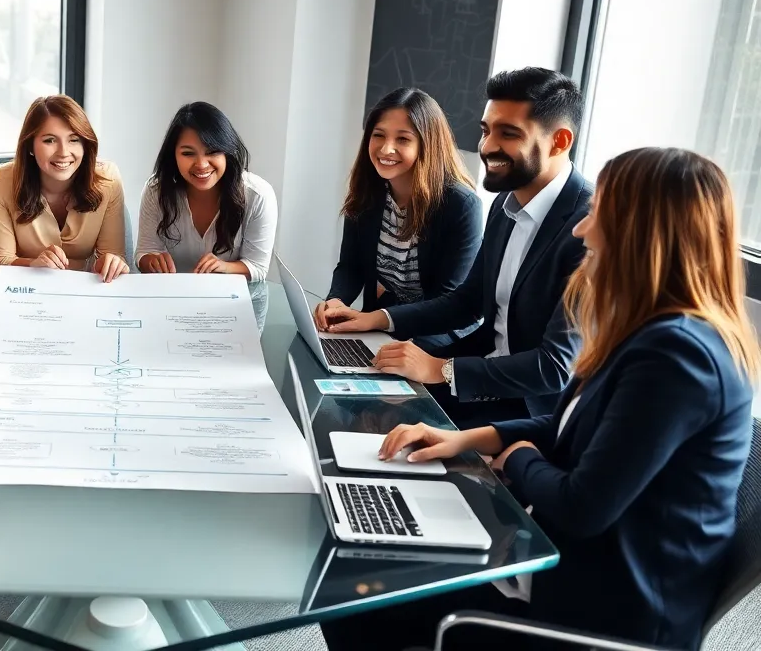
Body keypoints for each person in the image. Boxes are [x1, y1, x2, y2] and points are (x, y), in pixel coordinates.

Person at [320, 147, 761, 651]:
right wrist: (460, 439)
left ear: (644, 234)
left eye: (599, 214)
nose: (580, 230)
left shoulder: (679, 358)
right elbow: (568, 427)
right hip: (576, 561)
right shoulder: (650, 330)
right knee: (366, 574)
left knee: (359, 597)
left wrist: (519, 459)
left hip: (602, 608)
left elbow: (582, 507)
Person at [324, 68, 593, 425]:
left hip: (531, 410)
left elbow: (554, 368)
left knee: (382, 424)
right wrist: (376, 318)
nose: (486, 147)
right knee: (354, 403)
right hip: (478, 376)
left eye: (508, 134)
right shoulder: (505, 204)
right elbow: (467, 303)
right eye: (486, 130)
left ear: (559, 141)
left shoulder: (590, 227)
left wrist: (443, 370)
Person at [315, 88, 482, 348]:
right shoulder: (368, 192)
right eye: (378, 135)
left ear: (427, 145)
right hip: (383, 324)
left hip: (440, 333)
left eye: (403, 139)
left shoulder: (461, 206)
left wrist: (378, 319)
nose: (386, 148)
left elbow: (448, 300)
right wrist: (336, 300)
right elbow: (351, 266)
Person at [0, 95, 130, 282]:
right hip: (28, 293)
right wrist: (33, 264)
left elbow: (112, 254)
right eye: (50, 140)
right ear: (30, 146)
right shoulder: (2, 180)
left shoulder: (108, 179)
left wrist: (111, 262)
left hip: (85, 293)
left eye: (74, 139)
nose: (63, 152)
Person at [135, 102, 278, 280]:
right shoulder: (156, 190)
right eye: (188, 154)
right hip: (171, 297)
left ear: (228, 152)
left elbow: (257, 267)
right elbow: (144, 252)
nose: (202, 165)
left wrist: (223, 267)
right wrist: (151, 261)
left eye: (213, 152)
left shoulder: (258, 195)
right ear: (173, 155)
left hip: (230, 301)